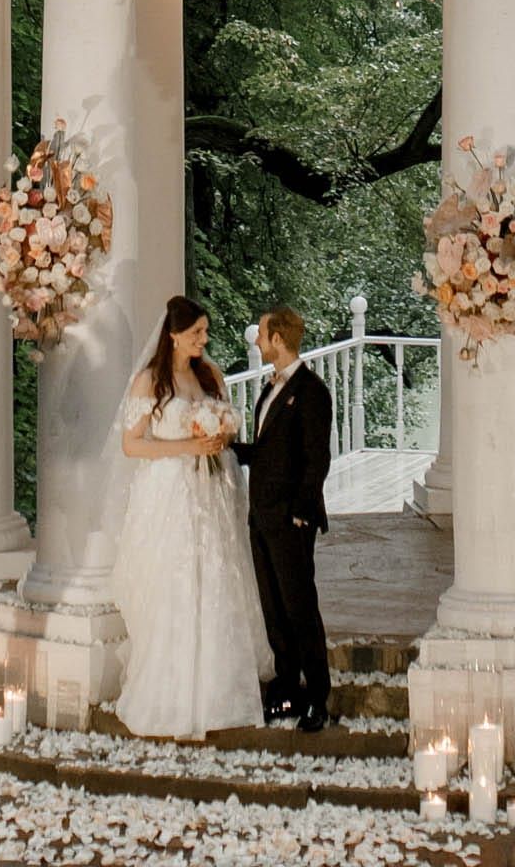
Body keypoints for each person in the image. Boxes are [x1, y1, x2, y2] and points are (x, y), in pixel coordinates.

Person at [111, 295, 272, 739]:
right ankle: (171, 693)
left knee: (217, 579)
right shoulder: (150, 382)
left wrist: (219, 436)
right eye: (196, 332)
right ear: (173, 335)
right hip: (170, 494)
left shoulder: (209, 374)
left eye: (204, 331)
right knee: (176, 584)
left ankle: (221, 692)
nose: (204, 339)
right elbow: (133, 445)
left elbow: (224, 417)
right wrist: (186, 447)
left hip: (211, 490)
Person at [232, 304, 334, 731]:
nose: (256, 340)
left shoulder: (311, 392)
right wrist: (230, 447)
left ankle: (318, 696)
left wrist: (300, 514)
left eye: (262, 334)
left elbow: (316, 460)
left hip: (290, 520)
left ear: (278, 338)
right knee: (273, 608)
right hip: (262, 516)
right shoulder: (269, 389)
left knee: (299, 608)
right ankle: (288, 687)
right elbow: (269, 454)